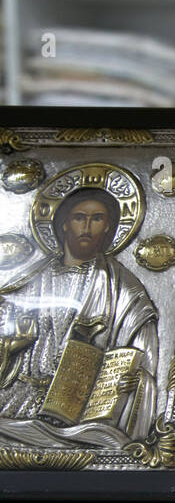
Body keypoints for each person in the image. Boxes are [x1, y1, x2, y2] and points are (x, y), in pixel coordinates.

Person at [0, 187, 159, 445]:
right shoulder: (27, 283)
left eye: (97, 218)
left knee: (108, 443)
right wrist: (11, 346)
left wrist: (135, 381)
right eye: (79, 217)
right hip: (17, 400)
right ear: (63, 224)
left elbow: (142, 360)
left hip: (80, 411)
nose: (87, 226)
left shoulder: (124, 290)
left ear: (108, 228)